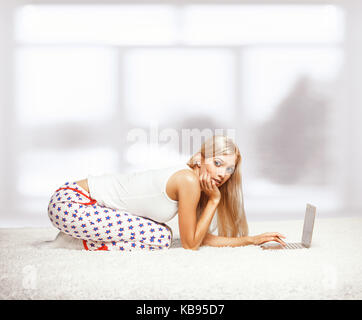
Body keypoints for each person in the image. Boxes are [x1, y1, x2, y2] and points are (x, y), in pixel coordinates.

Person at [47, 135, 286, 251]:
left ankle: (81, 238)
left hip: (88, 207)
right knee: (160, 238)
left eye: (229, 169)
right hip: (71, 202)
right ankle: (77, 243)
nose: (223, 173)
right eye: (217, 163)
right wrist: (214, 201)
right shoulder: (187, 180)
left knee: (161, 234)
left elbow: (200, 238)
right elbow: (191, 246)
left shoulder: (194, 183)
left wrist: (252, 240)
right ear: (197, 160)